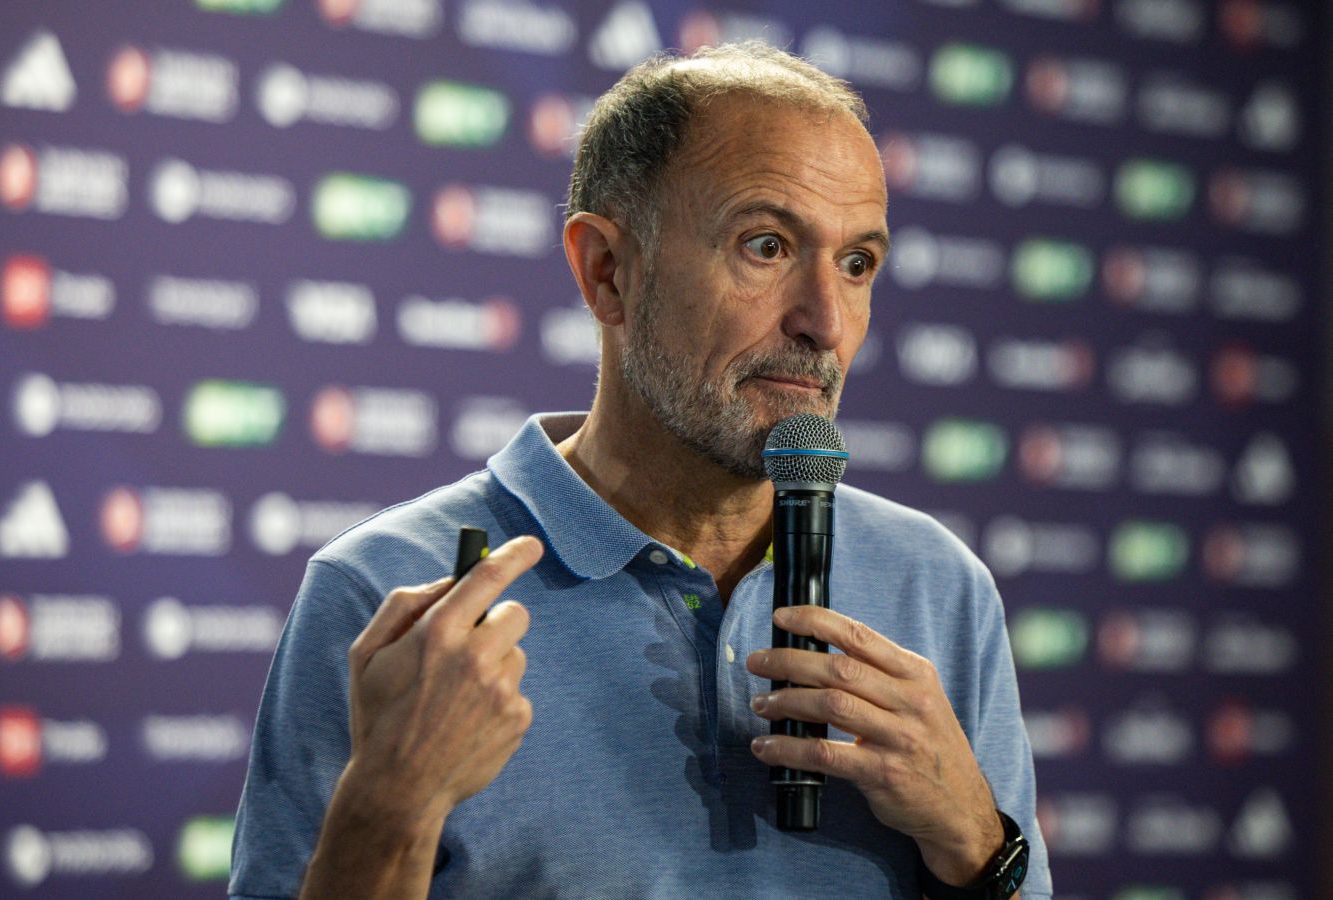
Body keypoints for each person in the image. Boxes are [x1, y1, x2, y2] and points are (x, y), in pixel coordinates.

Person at [230, 42, 1052, 899]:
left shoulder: (938, 586)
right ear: (607, 271)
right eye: (767, 246)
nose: (826, 323)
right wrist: (389, 809)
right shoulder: (389, 592)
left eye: (857, 264)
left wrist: (976, 840)